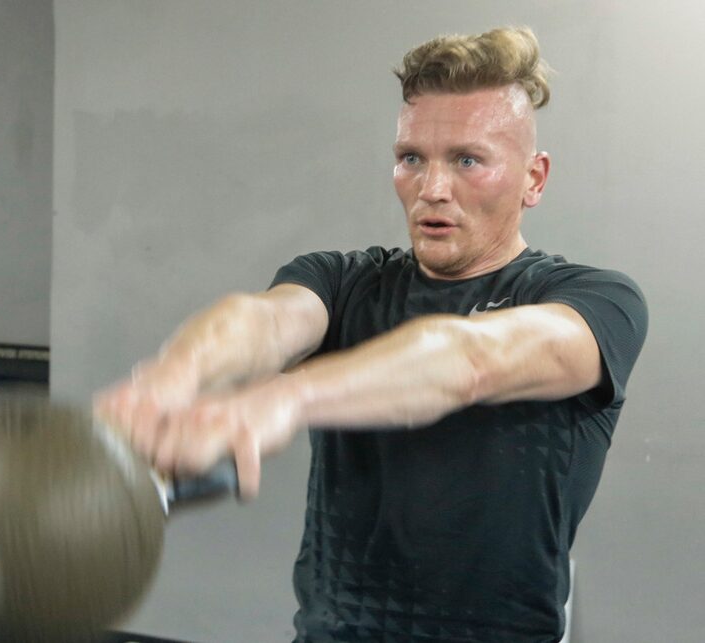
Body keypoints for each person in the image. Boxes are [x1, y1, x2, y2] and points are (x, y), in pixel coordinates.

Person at [97, 26, 647, 642]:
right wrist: (176, 375)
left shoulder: (595, 302)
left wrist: (283, 397)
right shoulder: (343, 280)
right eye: (412, 158)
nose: (432, 188)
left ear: (533, 178)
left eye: (468, 160)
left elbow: (470, 361)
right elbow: (263, 321)